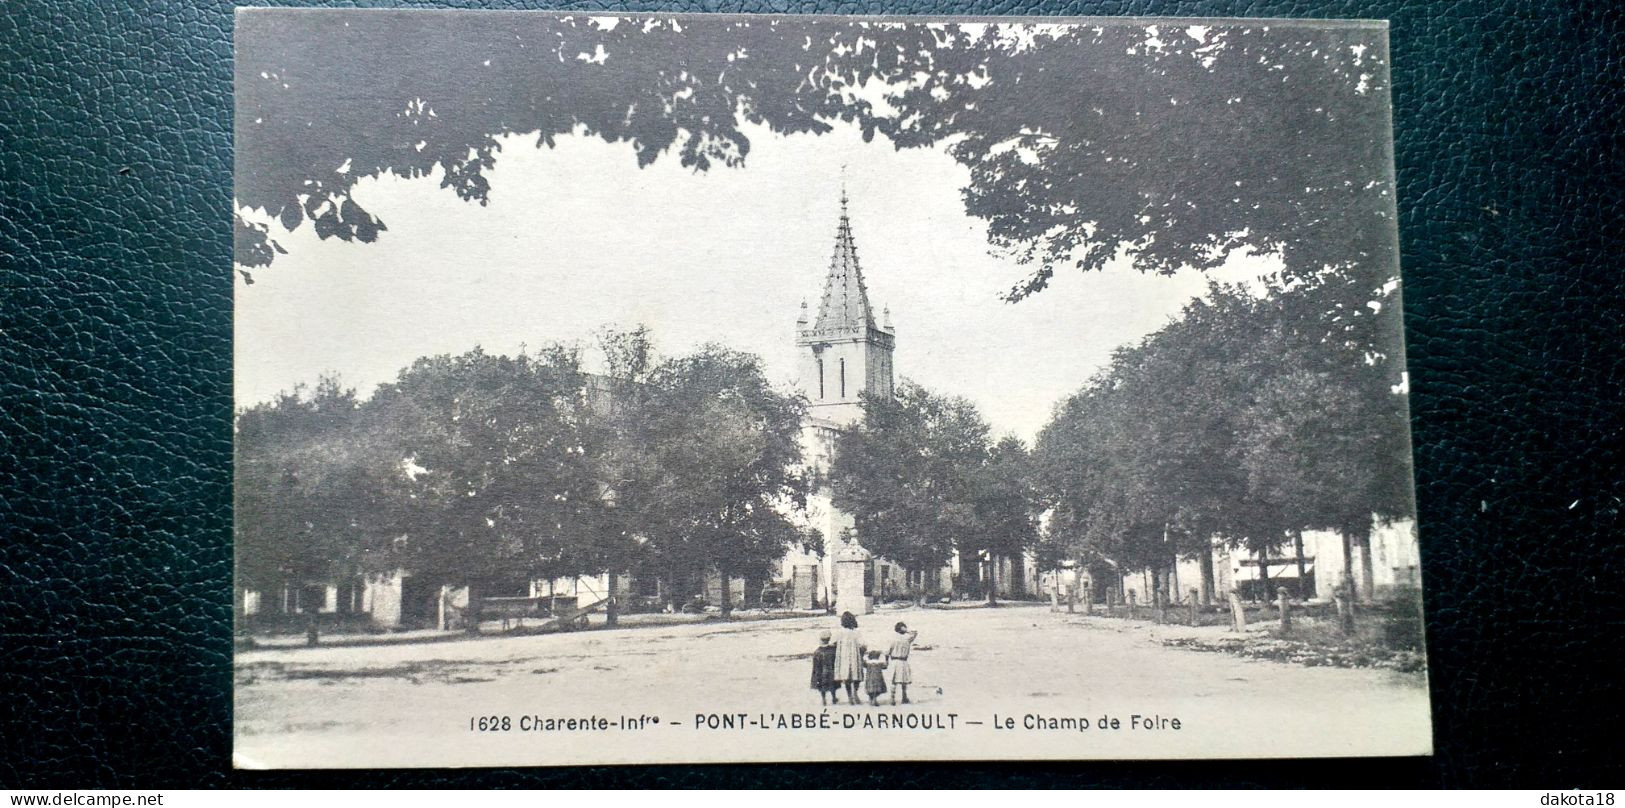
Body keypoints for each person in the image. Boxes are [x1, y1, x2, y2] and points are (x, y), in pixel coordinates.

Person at [832, 611, 865, 705]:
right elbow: (863, 644)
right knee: (856, 676)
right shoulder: (856, 632)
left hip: (844, 657)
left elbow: (832, 642)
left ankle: (850, 696)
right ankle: (855, 692)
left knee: (846, 677)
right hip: (855, 656)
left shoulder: (840, 632)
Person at [887, 621, 919, 705]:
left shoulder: (893, 639)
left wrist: (886, 661)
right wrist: (906, 631)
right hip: (904, 661)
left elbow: (887, 651)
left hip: (895, 661)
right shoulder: (907, 639)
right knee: (904, 681)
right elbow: (915, 633)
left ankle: (892, 698)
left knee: (894, 681)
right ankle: (904, 697)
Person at [810, 630, 839, 706]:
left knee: (822, 687)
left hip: (821, 672)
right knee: (833, 686)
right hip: (831, 671)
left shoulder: (817, 652)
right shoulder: (833, 650)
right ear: (829, 639)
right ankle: (834, 698)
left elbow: (815, 665)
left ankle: (823, 699)